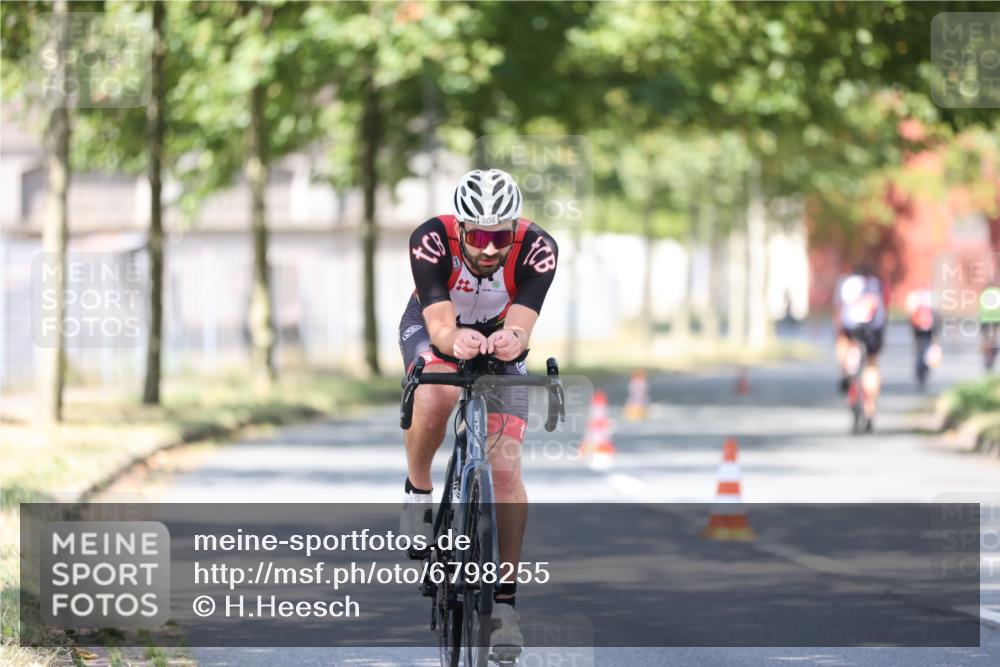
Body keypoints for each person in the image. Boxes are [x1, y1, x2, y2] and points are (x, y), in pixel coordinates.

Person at [398, 168, 558, 658]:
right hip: (435, 328)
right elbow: (442, 325)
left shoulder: (539, 249)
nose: (490, 249)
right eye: (480, 236)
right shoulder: (430, 240)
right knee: (437, 394)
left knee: (506, 472)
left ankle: (505, 608)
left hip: (497, 338)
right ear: (462, 228)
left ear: (515, 231)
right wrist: (453, 341)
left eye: (501, 236)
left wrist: (512, 340)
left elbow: (522, 325)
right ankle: (418, 489)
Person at [834, 262, 888, 431]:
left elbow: (839, 310)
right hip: (874, 330)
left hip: (851, 329)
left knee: (843, 342)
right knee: (872, 366)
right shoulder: (878, 284)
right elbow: (885, 309)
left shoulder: (846, 282)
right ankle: (870, 410)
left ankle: (845, 372)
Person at [905, 285, 939, 388]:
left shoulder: (914, 297)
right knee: (926, 346)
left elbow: (909, 312)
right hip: (928, 328)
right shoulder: (931, 297)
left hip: (918, 327)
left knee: (919, 347)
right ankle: (923, 367)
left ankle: (919, 368)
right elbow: (937, 313)